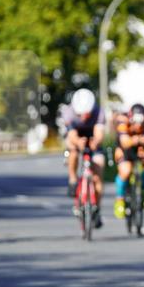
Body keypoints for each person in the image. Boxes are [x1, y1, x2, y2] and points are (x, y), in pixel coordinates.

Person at [62, 88, 106, 228]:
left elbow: (99, 134)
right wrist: (78, 142)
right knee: (73, 150)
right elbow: (72, 135)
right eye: (80, 114)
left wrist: (95, 143)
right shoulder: (69, 113)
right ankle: (73, 179)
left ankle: (96, 209)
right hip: (76, 136)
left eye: (86, 114)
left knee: (98, 172)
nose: (83, 117)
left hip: (93, 136)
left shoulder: (99, 112)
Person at [113, 103, 144, 219]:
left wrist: (143, 141)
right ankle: (120, 200)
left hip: (140, 145)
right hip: (124, 147)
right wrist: (135, 139)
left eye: (141, 123)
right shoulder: (123, 119)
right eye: (136, 122)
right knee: (125, 171)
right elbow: (124, 142)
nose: (138, 125)